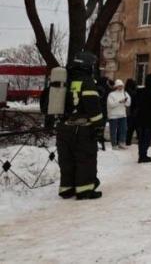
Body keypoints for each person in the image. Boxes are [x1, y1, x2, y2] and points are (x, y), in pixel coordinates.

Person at [55, 51, 104, 200]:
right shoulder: (86, 81)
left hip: (64, 128)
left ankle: (67, 188)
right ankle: (84, 190)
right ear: (87, 66)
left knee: (67, 160)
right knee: (85, 158)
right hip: (82, 130)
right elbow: (92, 107)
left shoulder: (65, 80)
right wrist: (99, 126)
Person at [106, 79, 131, 150]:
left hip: (122, 114)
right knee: (113, 130)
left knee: (124, 129)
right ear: (116, 86)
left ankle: (121, 143)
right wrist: (120, 101)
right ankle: (114, 144)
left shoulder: (125, 93)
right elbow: (111, 105)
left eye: (122, 86)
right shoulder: (111, 94)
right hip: (113, 115)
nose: (121, 87)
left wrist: (125, 101)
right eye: (119, 86)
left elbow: (128, 104)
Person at [124, 79, 138, 145]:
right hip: (132, 112)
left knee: (125, 127)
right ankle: (128, 141)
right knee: (131, 128)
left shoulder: (124, 92)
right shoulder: (135, 92)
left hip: (125, 111)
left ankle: (123, 139)